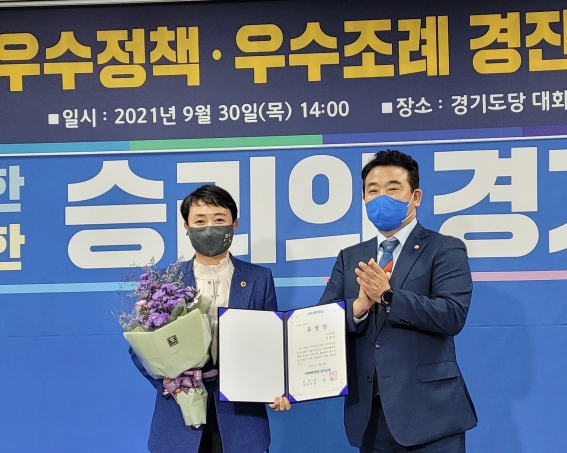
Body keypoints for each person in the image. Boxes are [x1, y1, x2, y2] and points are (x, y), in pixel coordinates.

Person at [319, 150, 477, 453]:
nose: (382, 198)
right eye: (373, 191)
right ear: (364, 198)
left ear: (415, 196)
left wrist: (387, 296)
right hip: (370, 417)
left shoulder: (444, 249)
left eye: (393, 189)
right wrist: (358, 308)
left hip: (431, 416)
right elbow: (321, 320)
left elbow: (452, 315)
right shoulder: (350, 257)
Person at [130, 184, 290, 453]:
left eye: (219, 220)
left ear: (234, 224)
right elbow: (140, 348)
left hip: (242, 417)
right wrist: (169, 383)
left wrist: (278, 387)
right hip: (180, 415)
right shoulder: (164, 282)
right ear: (186, 226)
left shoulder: (258, 278)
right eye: (200, 221)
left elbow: (272, 343)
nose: (210, 228)